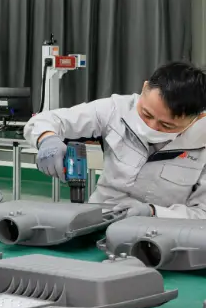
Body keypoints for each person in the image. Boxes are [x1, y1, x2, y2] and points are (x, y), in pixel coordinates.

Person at [26, 61, 206, 218]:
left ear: (197, 118)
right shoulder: (116, 109)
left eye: (166, 126)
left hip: (164, 233)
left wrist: (153, 212)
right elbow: (46, 120)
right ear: (144, 89)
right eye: (146, 113)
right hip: (101, 218)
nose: (151, 126)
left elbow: (202, 214)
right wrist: (47, 139)